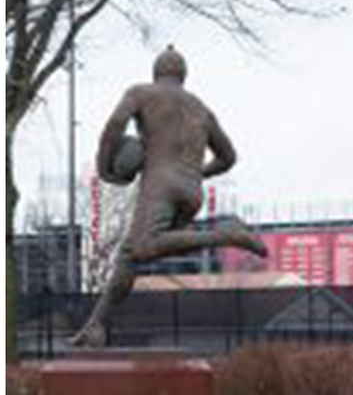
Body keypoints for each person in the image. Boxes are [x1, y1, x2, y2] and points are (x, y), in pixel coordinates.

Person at [71, 45, 267, 348]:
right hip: (192, 191)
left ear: (156, 72)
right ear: (183, 76)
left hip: (159, 184)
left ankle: (224, 235)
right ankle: (95, 326)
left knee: (144, 246)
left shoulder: (141, 93)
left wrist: (104, 167)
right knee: (130, 256)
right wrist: (196, 173)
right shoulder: (201, 109)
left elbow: (114, 126)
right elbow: (228, 157)